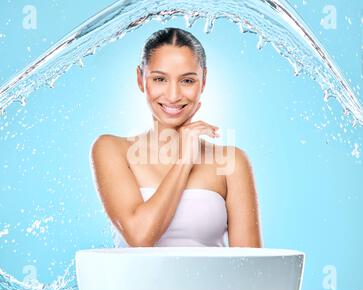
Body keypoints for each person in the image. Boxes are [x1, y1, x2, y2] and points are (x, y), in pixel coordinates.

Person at [90, 27, 262, 247]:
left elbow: (251, 269)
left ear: (204, 80)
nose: (173, 95)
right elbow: (139, 236)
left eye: (187, 81)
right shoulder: (112, 150)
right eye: (160, 79)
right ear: (141, 79)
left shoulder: (232, 162)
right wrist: (184, 161)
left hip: (213, 283)